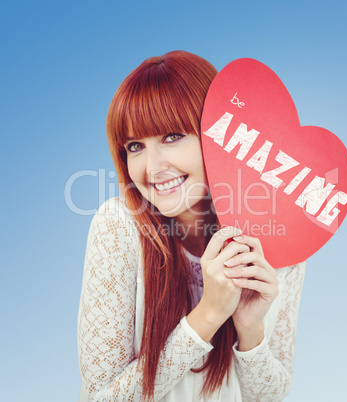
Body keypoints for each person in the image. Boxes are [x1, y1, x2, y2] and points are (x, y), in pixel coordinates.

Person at [77, 50, 306, 401]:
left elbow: (270, 396)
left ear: (215, 132)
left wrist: (250, 330)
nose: (152, 167)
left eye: (171, 136)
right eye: (135, 146)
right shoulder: (118, 227)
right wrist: (209, 314)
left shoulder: (278, 232)